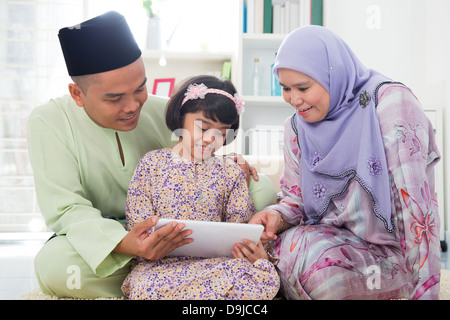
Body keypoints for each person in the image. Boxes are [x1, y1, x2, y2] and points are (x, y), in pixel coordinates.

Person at [27, 11, 277, 299]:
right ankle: (184, 284)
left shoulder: (166, 110)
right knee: (55, 265)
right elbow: (67, 209)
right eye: (114, 97)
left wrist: (232, 162)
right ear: (77, 94)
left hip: (181, 233)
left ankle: (181, 283)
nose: (133, 105)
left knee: (260, 191)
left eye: (140, 88)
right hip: (107, 240)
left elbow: (204, 149)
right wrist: (126, 244)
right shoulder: (49, 121)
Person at [249, 25, 441, 300]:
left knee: (323, 273)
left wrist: (425, 293)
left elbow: (415, 212)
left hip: (391, 254)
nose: (294, 100)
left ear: (332, 75)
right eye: (285, 88)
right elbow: (297, 200)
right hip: (332, 240)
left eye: (303, 87)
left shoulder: (389, 104)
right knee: (272, 249)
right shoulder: (296, 128)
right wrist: (277, 216)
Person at [121, 75, 280, 300]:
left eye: (222, 133)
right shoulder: (151, 164)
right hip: (160, 268)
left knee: (263, 277)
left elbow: (240, 226)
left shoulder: (231, 171)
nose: (210, 139)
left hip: (215, 266)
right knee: (146, 287)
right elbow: (138, 224)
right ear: (181, 118)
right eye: (203, 128)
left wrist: (254, 248)